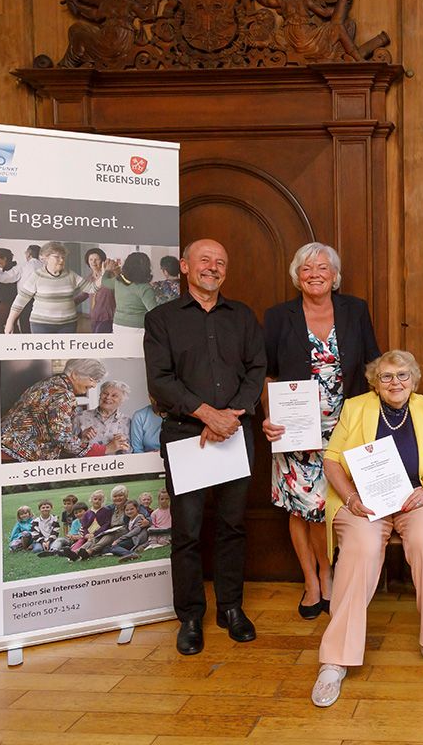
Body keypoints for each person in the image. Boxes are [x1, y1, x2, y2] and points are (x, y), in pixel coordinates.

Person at [310, 350, 423, 708]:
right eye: (387, 376)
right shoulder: (356, 408)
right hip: (366, 503)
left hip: (419, 499)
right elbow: (332, 460)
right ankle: (334, 660)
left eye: (402, 376)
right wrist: (350, 499)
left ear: (413, 379)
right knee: (360, 550)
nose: (395, 383)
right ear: (374, 382)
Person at [144, 238, 267, 655]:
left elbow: (257, 369)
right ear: (184, 266)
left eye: (220, 262)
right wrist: (206, 414)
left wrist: (231, 414)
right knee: (187, 532)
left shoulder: (243, 317)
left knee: (232, 526)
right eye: (204, 261)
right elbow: (160, 380)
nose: (212, 267)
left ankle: (231, 608)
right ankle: (191, 616)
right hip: (184, 436)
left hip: (234, 433)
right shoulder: (161, 319)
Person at [262, 242, 380, 620]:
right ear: (297, 275)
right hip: (294, 431)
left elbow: (373, 365)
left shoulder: (355, 310)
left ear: (335, 276)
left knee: (329, 506)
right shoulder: (279, 316)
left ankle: (328, 576)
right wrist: (268, 416)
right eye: (307, 268)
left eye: (322, 268)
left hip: (345, 428)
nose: (314, 274)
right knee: (301, 510)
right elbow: (266, 372)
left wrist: (374, 421)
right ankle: (313, 582)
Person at [0, 359, 114, 462]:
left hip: (4, 447)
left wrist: (78, 437)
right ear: (75, 374)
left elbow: (47, 427)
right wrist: (104, 449)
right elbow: (62, 438)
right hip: (16, 455)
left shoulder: (50, 383)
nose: (94, 385)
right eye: (93, 379)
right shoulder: (64, 395)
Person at [5, 242, 99, 334]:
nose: (61, 260)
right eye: (57, 257)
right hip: (41, 325)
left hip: (68, 324)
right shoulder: (37, 275)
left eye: (63, 257)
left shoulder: (71, 275)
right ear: (45, 258)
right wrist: (10, 322)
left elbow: (91, 289)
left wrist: (104, 274)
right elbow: (20, 301)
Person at [102, 252, 160, 335]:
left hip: (118, 325)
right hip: (138, 327)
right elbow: (155, 313)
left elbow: (104, 282)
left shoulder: (118, 281)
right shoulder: (145, 288)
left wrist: (107, 270)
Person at [75, 380, 132, 454]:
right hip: (86, 465)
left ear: (122, 401)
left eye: (114, 395)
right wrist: (81, 437)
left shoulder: (127, 422)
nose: (108, 397)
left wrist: (124, 446)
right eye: (105, 393)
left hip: (116, 464)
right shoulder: (80, 417)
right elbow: (66, 448)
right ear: (100, 395)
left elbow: (132, 453)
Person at [0, 244, 41, 332]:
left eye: (26, 253)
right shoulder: (45, 266)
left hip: (26, 301)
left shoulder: (23, 266)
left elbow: (6, 278)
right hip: (42, 301)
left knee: (26, 326)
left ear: (29, 254)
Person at [82, 248, 116, 334]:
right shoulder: (89, 278)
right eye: (91, 259)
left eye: (96, 259)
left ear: (103, 261)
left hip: (108, 318)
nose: (93, 262)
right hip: (94, 317)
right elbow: (83, 295)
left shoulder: (111, 276)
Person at [0, 248, 19, 334]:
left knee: (1, 324)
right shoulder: (9, 268)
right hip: (9, 303)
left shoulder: (10, 270)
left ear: (5, 258)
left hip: (8, 304)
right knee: (11, 325)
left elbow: (5, 281)